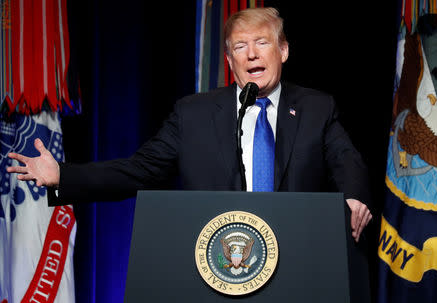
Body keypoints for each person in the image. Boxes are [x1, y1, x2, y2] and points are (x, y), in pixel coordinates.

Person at [7, 7, 372, 242]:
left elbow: (345, 158)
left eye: (262, 43)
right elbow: (140, 171)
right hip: (214, 260)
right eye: (240, 46)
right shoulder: (193, 113)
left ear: (284, 51)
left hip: (299, 256)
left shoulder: (316, 108)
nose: (252, 54)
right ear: (230, 60)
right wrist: (63, 177)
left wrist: (354, 197)